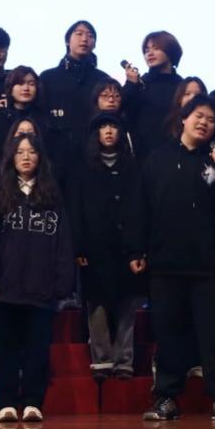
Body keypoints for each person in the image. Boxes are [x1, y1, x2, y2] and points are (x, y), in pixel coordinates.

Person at [126, 95, 215, 422]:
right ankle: (165, 396)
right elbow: (141, 206)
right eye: (199, 116)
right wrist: (136, 249)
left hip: (211, 266)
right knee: (168, 334)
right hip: (166, 264)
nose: (204, 123)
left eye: (211, 120)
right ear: (184, 118)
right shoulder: (158, 158)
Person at [0, 133, 74, 423]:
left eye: (32, 151)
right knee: (5, 349)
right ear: (11, 157)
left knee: (37, 350)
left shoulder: (52, 196)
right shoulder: (1, 196)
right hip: (6, 288)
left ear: (40, 158)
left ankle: (33, 402)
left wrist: (62, 283)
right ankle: (6, 402)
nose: (25, 156)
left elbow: (63, 242)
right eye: (20, 151)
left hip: (41, 288)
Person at [69, 113, 143, 381]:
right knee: (96, 304)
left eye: (113, 126)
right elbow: (75, 210)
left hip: (127, 247)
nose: (109, 131)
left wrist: (138, 247)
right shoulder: (82, 168)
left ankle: (124, 360)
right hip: (94, 247)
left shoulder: (132, 167)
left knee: (127, 304)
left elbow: (140, 208)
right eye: (103, 126)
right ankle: (101, 359)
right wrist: (79, 248)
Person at [40, 20, 112, 186]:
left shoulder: (102, 79)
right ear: (67, 41)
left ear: (94, 44)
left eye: (90, 36)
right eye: (79, 34)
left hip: (94, 156)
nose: (84, 39)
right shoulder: (48, 78)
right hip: (55, 158)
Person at [122, 31, 185, 163]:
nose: (150, 53)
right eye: (146, 50)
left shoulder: (182, 86)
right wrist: (130, 85)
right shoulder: (139, 84)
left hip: (177, 156)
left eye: (156, 48)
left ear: (170, 50)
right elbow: (124, 113)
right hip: (143, 158)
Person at [0, 66, 48, 174]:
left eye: (31, 84)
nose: (26, 88)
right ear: (10, 88)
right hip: (3, 178)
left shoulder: (45, 120)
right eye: (20, 83)